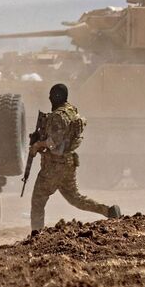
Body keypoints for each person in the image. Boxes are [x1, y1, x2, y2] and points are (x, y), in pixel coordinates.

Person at [29, 83, 121, 230]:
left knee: (38, 201)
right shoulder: (71, 110)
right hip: (68, 163)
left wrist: (37, 145)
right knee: (76, 199)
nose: (49, 98)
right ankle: (108, 211)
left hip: (53, 167)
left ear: (56, 97)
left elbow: (54, 142)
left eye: (51, 96)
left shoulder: (58, 116)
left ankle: (36, 235)